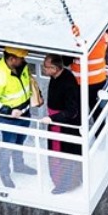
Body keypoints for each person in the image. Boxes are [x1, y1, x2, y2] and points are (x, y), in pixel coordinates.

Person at [0, 46, 39, 188]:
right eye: (21, 57)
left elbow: (28, 84)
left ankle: (19, 165)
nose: (24, 59)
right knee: (7, 145)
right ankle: (4, 174)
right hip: (10, 118)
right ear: (11, 59)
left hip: (25, 113)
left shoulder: (22, 67)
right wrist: (8, 111)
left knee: (20, 141)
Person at [41, 53, 83, 195]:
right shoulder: (58, 77)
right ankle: (68, 181)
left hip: (62, 126)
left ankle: (63, 184)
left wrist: (53, 119)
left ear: (55, 68)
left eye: (45, 67)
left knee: (61, 156)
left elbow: (72, 111)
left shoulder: (68, 83)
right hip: (56, 122)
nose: (43, 69)